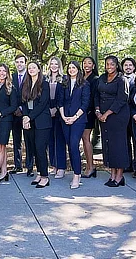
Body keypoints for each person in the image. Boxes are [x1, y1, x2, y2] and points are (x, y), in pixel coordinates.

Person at [95, 55, 130, 187]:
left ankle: (119, 176)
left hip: (117, 116)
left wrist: (107, 114)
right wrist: (98, 111)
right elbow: (97, 95)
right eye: (107, 64)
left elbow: (122, 99)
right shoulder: (102, 78)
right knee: (108, 144)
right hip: (102, 115)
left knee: (118, 146)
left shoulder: (121, 79)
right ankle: (112, 173)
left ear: (116, 65)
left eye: (112, 64)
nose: (109, 67)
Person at [57, 61, 90, 189]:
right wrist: (64, 116)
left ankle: (77, 175)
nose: (71, 70)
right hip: (65, 118)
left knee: (74, 144)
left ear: (78, 69)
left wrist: (74, 117)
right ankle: (76, 171)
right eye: (69, 68)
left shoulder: (84, 84)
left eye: (74, 68)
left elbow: (85, 103)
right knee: (69, 146)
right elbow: (59, 102)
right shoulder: (63, 84)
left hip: (79, 119)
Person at [22, 61, 52, 189]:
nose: (31, 69)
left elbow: (42, 104)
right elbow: (23, 102)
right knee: (34, 149)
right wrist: (25, 117)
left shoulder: (44, 84)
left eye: (34, 67)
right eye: (29, 68)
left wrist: (29, 117)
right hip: (30, 122)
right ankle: (39, 173)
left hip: (42, 122)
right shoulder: (26, 84)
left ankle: (45, 177)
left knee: (40, 149)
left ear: (39, 70)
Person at [47, 56, 66, 179]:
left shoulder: (64, 79)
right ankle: (53, 165)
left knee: (59, 140)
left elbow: (63, 97)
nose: (54, 66)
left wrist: (56, 109)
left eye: (56, 64)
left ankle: (61, 167)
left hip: (60, 112)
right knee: (50, 141)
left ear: (59, 66)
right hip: (47, 112)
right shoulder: (45, 79)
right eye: (51, 64)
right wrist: (48, 109)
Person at [81, 56, 98, 178]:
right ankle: (89, 165)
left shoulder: (95, 79)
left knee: (85, 137)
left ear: (93, 65)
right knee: (83, 138)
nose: (86, 65)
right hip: (80, 112)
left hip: (89, 112)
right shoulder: (81, 78)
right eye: (84, 63)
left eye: (89, 63)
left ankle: (91, 167)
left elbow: (93, 97)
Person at [122, 57, 136, 178]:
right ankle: (127, 164)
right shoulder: (118, 79)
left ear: (134, 67)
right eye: (126, 65)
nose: (128, 67)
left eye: (130, 65)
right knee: (124, 141)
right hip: (121, 115)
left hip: (135, 115)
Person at [11, 54, 28, 174]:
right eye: (17, 62)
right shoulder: (12, 77)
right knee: (16, 140)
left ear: (25, 63)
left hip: (27, 113)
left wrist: (22, 108)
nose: (19, 64)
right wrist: (15, 108)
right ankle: (17, 165)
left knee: (28, 140)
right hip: (14, 113)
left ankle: (30, 166)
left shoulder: (31, 76)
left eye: (21, 62)